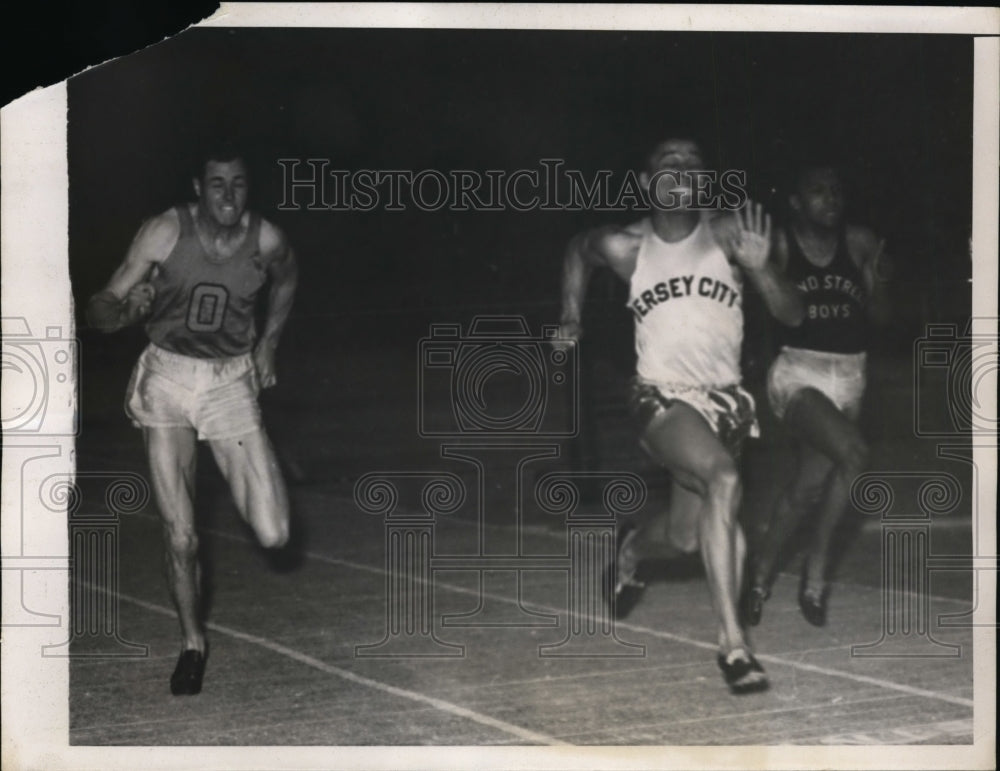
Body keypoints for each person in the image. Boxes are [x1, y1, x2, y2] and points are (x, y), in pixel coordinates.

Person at [557, 137, 803, 693]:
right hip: (659, 398)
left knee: (688, 538)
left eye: (693, 165)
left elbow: (793, 312)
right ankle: (733, 645)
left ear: (702, 183)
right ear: (648, 184)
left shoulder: (730, 235)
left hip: (725, 404)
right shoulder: (626, 246)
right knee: (725, 479)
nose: (681, 171)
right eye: (668, 164)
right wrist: (571, 315)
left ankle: (632, 549)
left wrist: (763, 271)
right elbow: (578, 249)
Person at [85, 145, 298, 695]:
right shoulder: (163, 231)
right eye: (217, 185)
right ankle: (192, 643)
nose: (228, 196)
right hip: (169, 378)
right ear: (199, 189)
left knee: (275, 534)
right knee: (181, 536)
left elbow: (289, 279)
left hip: (229, 380)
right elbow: (101, 306)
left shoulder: (266, 239)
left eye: (239, 185)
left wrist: (269, 344)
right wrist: (130, 309)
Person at [743, 161, 890, 628]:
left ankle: (761, 574)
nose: (830, 198)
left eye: (835, 189)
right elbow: (779, 312)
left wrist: (879, 283)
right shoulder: (781, 243)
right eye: (817, 191)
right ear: (795, 202)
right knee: (854, 453)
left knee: (806, 490)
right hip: (797, 372)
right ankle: (816, 573)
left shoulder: (861, 243)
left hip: (852, 374)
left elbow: (883, 319)